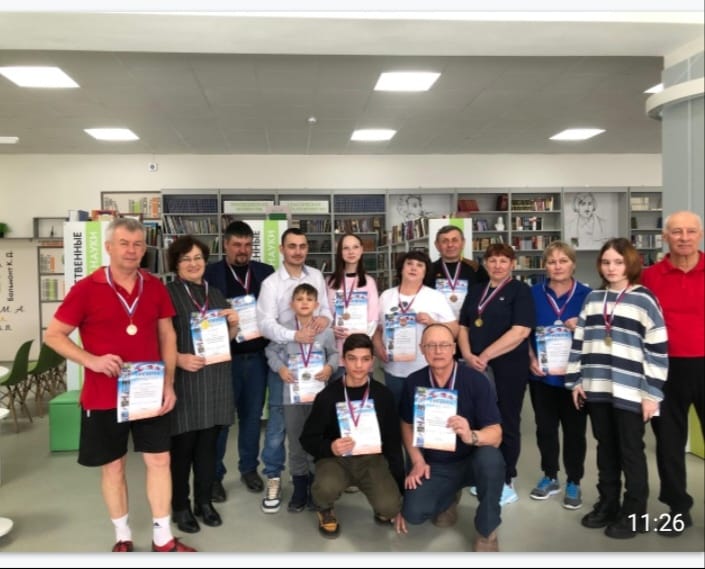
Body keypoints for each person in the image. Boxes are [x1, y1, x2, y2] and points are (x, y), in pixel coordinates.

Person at [44, 217, 195, 552]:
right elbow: (53, 335)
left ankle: (163, 538)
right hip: (102, 395)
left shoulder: (154, 286)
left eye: (138, 244)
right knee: (114, 467)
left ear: (145, 249)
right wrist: (91, 360)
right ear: (109, 247)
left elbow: (167, 336)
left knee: (160, 462)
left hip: (148, 391)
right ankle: (122, 537)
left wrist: (169, 383)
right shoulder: (86, 288)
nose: (131, 250)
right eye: (124, 243)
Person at [565, 237, 668, 539]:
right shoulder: (593, 299)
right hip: (597, 386)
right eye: (606, 262)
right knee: (605, 449)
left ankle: (635, 514)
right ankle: (608, 504)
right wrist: (575, 380)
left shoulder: (644, 299)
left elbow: (658, 349)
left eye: (618, 262)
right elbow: (580, 341)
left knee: (631, 452)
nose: (611, 268)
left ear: (631, 264)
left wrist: (652, 394)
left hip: (631, 391)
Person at [395, 324, 505, 552]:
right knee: (413, 513)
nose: (438, 351)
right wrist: (417, 460)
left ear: (454, 348)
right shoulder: (414, 382)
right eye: (431, 345)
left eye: (444, 345)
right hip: (437, 464)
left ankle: (487, 530)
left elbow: (496, 434)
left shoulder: (476, 380)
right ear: (422, 349)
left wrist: (471, 435)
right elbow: (406, 424)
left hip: (473, 459)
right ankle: (450, 495)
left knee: (491, 460)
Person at [256, 228, 333, 514]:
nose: (298, 251)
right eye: (292, 246)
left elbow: (326, 310)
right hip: (286, 365)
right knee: (278, 426)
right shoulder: (271, 284)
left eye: (302, 246)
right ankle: (274, 477)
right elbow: (265, 324)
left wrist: (324, 320)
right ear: (282, 249)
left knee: (314, 423)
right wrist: (293, 336)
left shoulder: (316, 276)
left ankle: (315, 479)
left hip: (314, 367)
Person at [165, 236, 238, 534]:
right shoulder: (167, 294)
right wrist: (178, 358)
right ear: (175, 264)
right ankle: (180, 506)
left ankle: (204, 502)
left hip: (215, 380)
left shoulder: (216, 294)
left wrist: (234, 325)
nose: (193, 264)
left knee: (208, 449)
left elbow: (225, 341)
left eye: (198, 258)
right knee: (182, 449)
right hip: (185, 382)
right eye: (186, 259)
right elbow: (156, 338)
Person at [300, 333, 404, 539]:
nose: (358, 365)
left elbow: (393, 443)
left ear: (372, 361)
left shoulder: (383, 395)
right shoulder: (327, 396)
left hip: (371, 460)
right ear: (343, 360)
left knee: (390, 507)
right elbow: (307, 439)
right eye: (352, 358)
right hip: (336, 459)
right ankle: (325, 508)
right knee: (325, 488)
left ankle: (382, 504)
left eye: (365, 359)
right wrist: (330, 447)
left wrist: (400, 493)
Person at [457, 243, 535, 506]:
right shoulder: (476, 290)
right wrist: (467, 355)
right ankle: (482, 472)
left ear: (512, 264)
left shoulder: (520, 291)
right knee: (479, 419)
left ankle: (505, 477)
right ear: (485, 263)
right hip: (474, 365)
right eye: (492, 260)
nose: (497, 265)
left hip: (508, 367)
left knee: (506, 420)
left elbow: (521, 331)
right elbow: (463, 326)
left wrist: (486, 355)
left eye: (503, 260)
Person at [642, 210, 704, 536]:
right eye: (677, 231)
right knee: (669, 444)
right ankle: (678, 508)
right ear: (665, 237)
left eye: (690, 231)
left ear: (700, 235)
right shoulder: (649, 277)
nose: (684, 237)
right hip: (664, 370)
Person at [204, 220, 275, 500]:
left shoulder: (265, 272)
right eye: (236, 245)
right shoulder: (210, 274)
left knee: (252, 418)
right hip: (225, 360)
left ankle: (249, 469)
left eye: (247, 245)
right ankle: (214, 476)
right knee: (222, 420)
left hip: (257, 358)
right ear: (225, 245)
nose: (242, 250)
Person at [527, 241, 591, 509]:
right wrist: (530, 358)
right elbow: (522, 330)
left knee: (575, 431)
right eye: (552, 261)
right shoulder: (532, 293)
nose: (557, 266)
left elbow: (599, 333)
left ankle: (574, 480)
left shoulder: (588, 295)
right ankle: (550, 475)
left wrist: (582, 326)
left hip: (575, 379)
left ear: (573, 264)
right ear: (545, 266)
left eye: (563, 261)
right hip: (541, 376)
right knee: (545, 429)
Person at [265, 283, 338, 514]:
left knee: (316, 442)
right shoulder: (285, 330)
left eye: (309, 299)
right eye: (299, 299)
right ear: (291, 304)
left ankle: (316, 487)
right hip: (293, 398)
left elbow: (335, 354)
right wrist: (280, 369)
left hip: (318, 398)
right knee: (296, 444)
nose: (304, 303)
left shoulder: (325, 331)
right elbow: (270, 351)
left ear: (317, 304)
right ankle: (299, 488)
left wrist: (329, 367)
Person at [373, 250, 458, 410]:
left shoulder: (435, 296)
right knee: (395, 411)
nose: (414, 268)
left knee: (422, 414)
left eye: (420, 265)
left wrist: (432, 322)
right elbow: (376, 329)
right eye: (409, 264)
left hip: (424, 367)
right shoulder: (386, 296)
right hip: (393, 368)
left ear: (425, 272)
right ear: (401, 268)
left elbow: (454, 330)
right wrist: (378, 348)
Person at [326, 233, 379, 379]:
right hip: (336, 353)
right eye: (346, 248)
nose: (351, 252)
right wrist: (331, 330)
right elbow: (325, 314)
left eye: (355, 247)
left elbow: (373, 320)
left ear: (361, 250)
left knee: (363, 393)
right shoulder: (330, 282)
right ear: (340, 251)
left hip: (361, 354)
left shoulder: (369, 282)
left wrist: (356, 340)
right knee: (337, 392)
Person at [424, 224, 489, 319]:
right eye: (445, 241)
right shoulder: (428, 270)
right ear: (437, 245)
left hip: (468, 323)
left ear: (463, 243)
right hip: (438, 323)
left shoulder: (476, 269)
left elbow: (486, 297)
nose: (450, 245)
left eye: (454, 240)